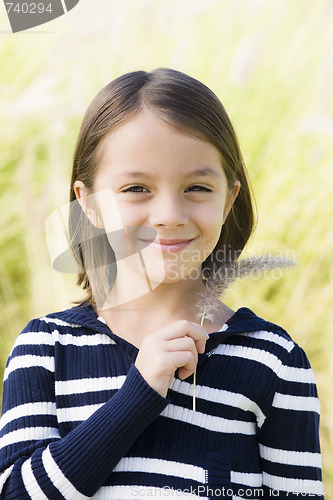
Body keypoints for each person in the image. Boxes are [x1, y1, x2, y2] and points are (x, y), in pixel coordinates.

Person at [0, 69, 324, 499]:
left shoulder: (274, 362)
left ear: (229, 198)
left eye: (197, 187)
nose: (169, 214)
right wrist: (139, 393)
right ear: (89, 203)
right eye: (136, 188)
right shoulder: (47, 347)